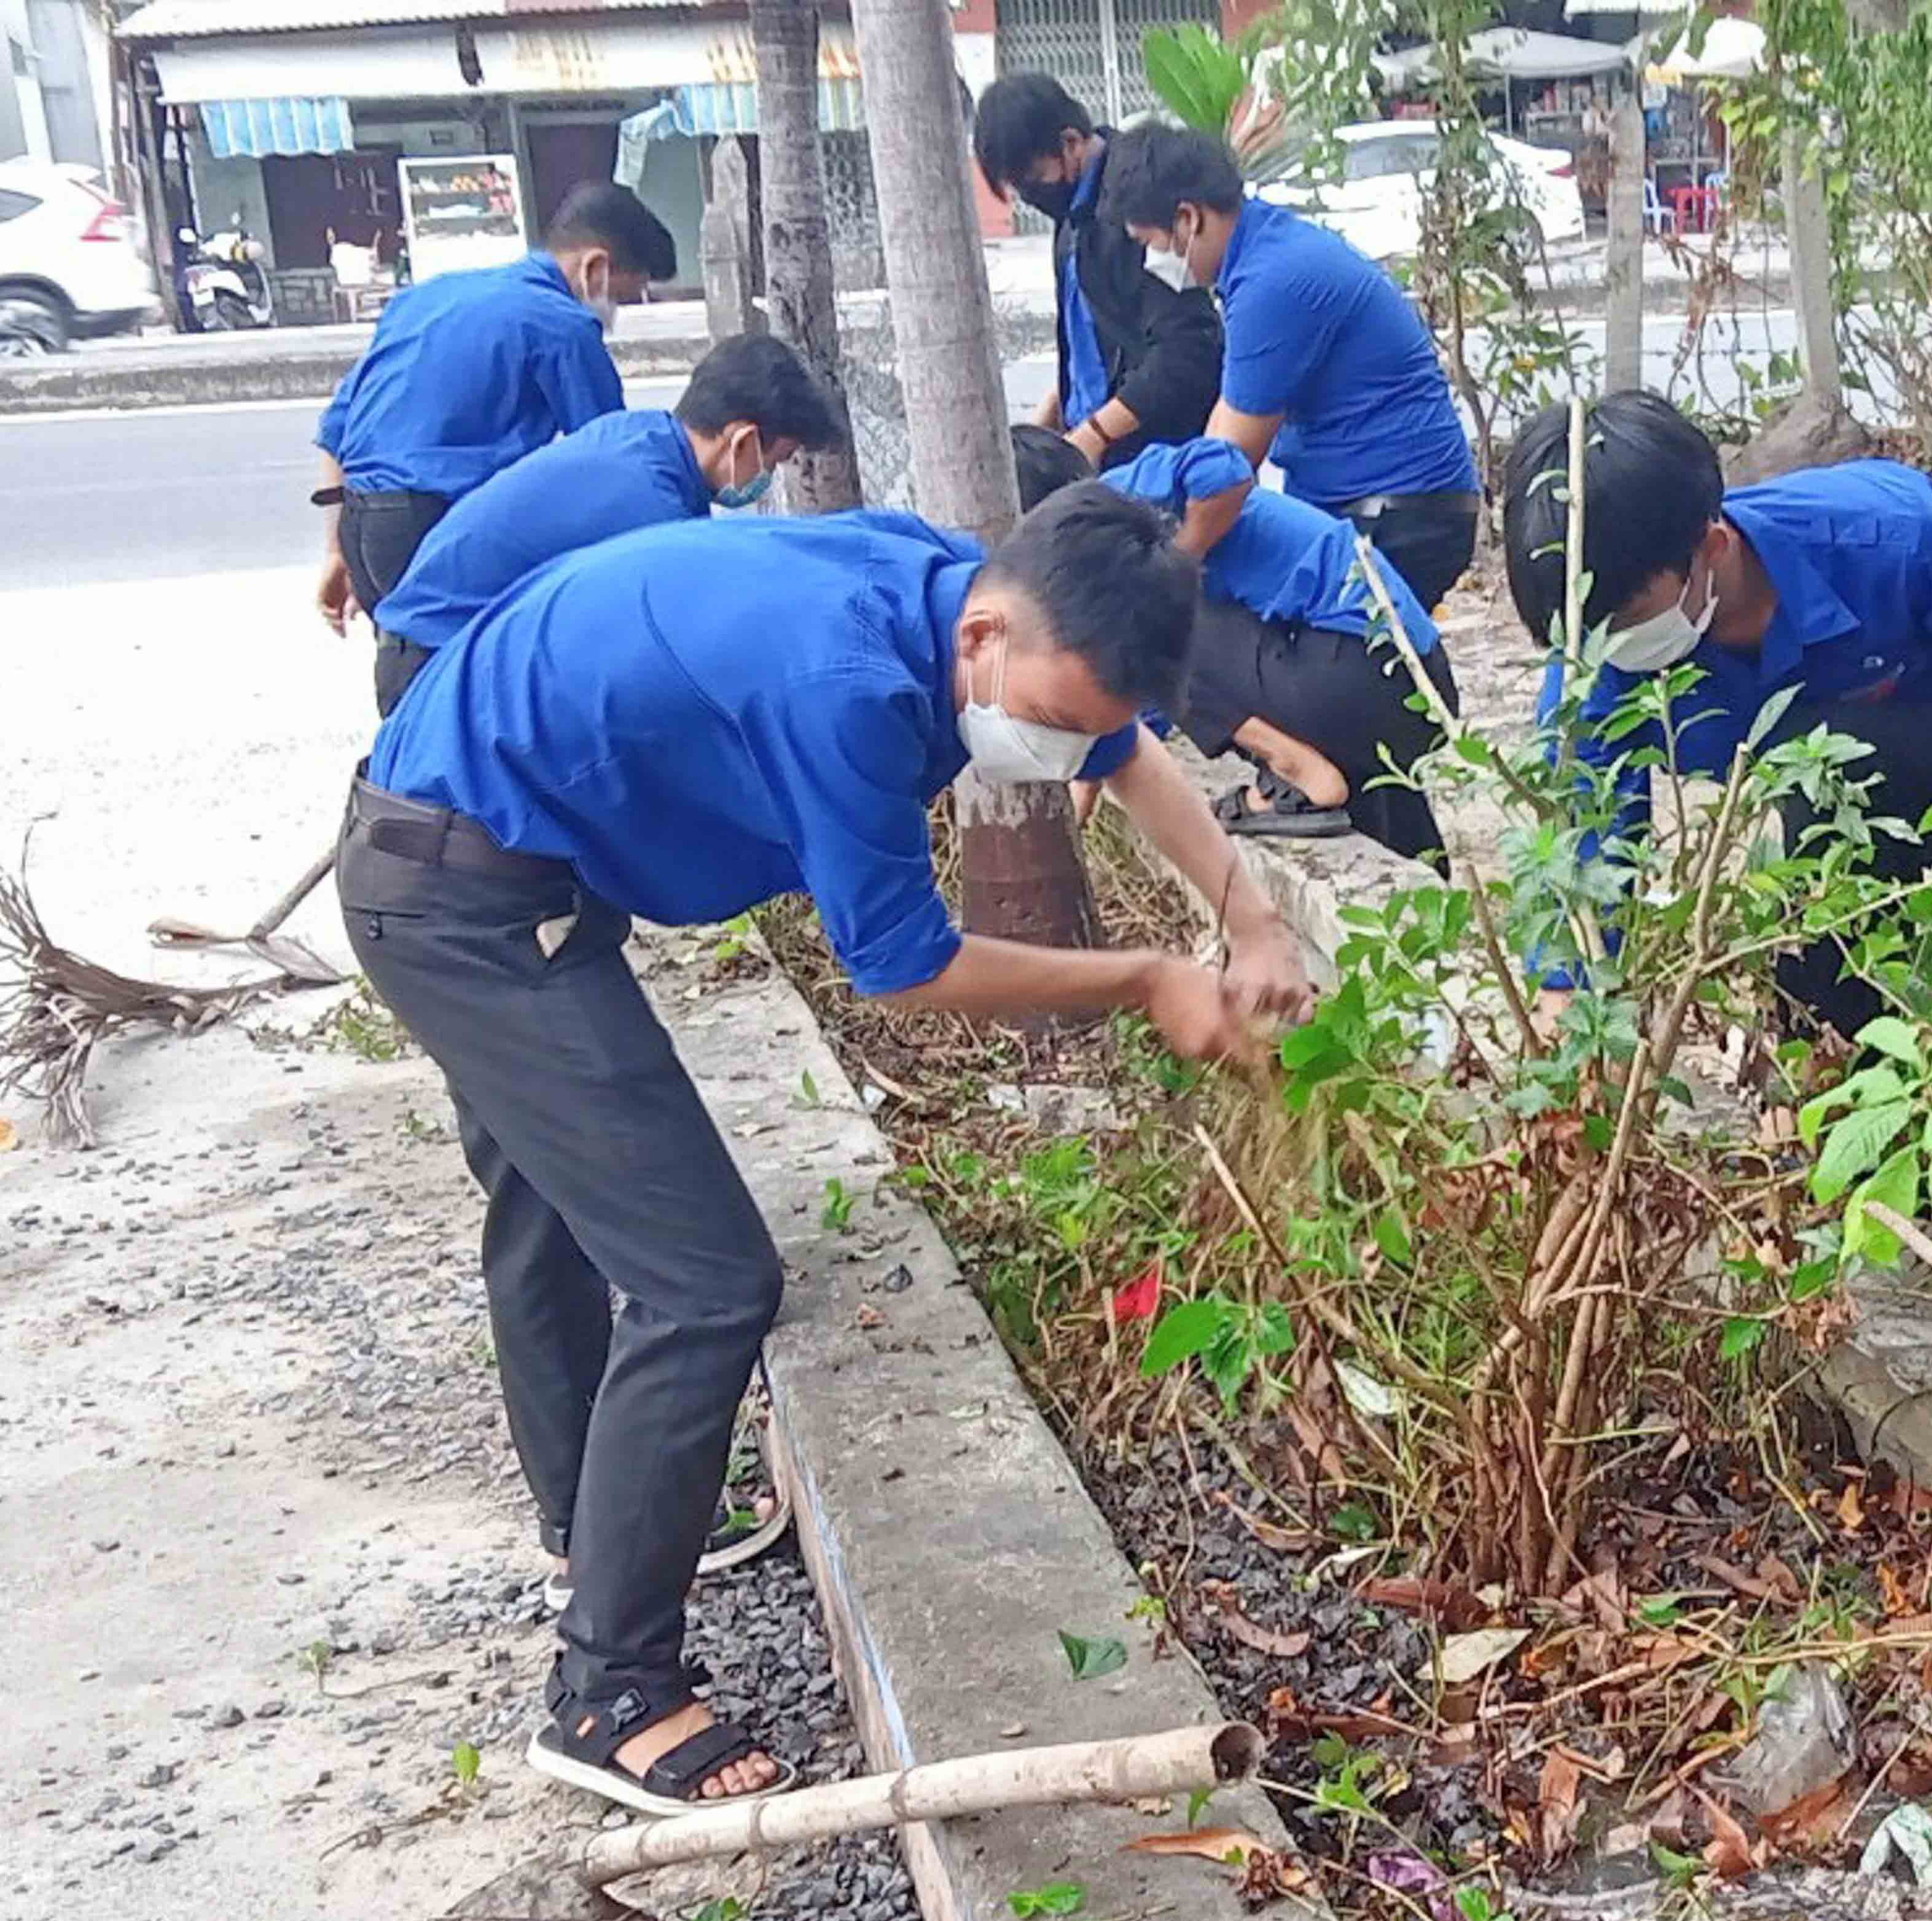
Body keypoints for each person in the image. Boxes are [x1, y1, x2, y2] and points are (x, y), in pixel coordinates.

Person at [342, 487, 1310, 1813]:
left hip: (497, 840)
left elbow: (1128, 752)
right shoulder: (845, 686)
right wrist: (1149, 977)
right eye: (1054, 718)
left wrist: (1251, 921)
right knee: (706, 1280)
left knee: (560, 1198)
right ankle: (608, 1692)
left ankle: (594, 1528)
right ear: (985, 635)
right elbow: (904, 969)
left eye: (1081, 725)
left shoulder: (955, 596)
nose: (1060, 753)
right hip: (459, 893)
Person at [1502, 389, 1932, 1036]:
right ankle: (1828, 1053)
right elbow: (1585, 822)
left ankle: (1835, 1057)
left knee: (1822, 759)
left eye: (1625, 621)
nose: (1607, 647)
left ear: (1712, 548)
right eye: (1584, 630)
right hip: (1809, 809)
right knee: (1801, 801)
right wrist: (1570, 1007)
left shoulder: (1893, 542)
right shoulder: (1601, 656)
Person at [1017, 426, 1454, 863]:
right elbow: (1135, 709)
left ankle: (1301, 776)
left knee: (1159, 614)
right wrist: (1080, 802)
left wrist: (1178, 565)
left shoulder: (1119, 499)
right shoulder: (1099, 555)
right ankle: (1422, 867)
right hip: (1409, 692)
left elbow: (1225, 467)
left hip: (1365, 670)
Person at [368, 333, 850, 715]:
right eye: (778, 460)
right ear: (743, 441)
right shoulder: (652, 508)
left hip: (437, 644)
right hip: (440, 666)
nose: (767, 479)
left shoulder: (639, 438)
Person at [1106, 123, 1482, 611]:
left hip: (1402, 516)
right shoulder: (1261, 249)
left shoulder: (1272, 283)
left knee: (1244, 641)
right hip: (1376, 503)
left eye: (1150, 243)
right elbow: (1225, 424)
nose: (1149, 261)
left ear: (1187, 219)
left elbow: (1228, 473)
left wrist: (1170, 573)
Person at [311, 183, 675, 649]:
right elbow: (609, 459)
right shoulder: (561, 325)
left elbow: (335, 431)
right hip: (435, 524)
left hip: (362, 525)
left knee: (415, 678)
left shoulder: (424, 298)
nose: (615, 311)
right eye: (623, 297)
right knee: (482, 680)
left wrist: (337, 549)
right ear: (596, 267)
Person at [971, 72, 1223, 472]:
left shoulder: (1137, 201)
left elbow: (1186, 350)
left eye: (1035, 180)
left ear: (1071, 143)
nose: (1031, 198)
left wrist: (1095, 435)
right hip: (1096, 446)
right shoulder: (1074, 212)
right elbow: (1093, 337)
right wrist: (1052, 423)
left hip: (1158, 456)